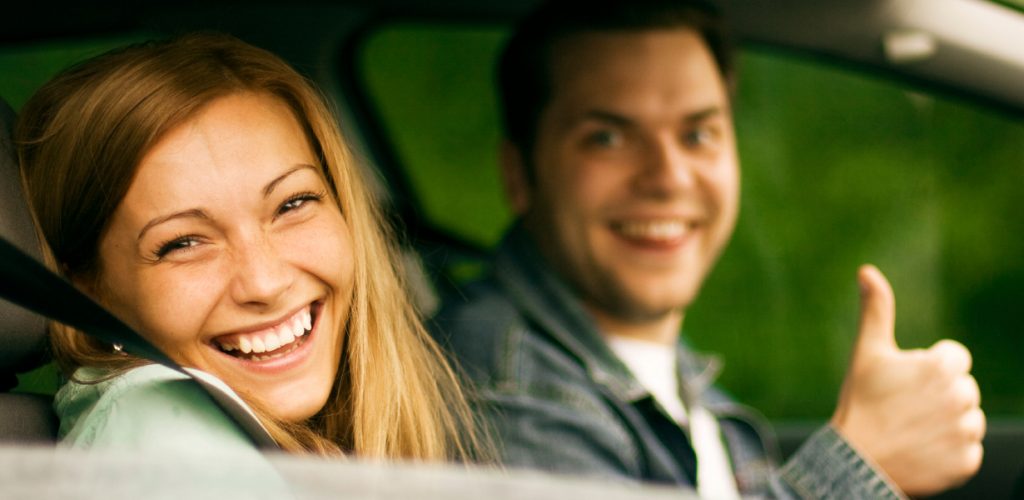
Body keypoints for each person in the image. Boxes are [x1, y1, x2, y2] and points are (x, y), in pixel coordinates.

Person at [431, 0, 984, 497]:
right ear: (518, 175)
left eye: (698, 134)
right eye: (608, 137)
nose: (668, 177)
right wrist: (860, 467)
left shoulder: (669, 375)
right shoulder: (501, 388)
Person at [16, 33, 484, 461]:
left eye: (293, 203)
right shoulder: (162, 437)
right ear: (89, 288)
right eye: (183, 243)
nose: (266, 282)